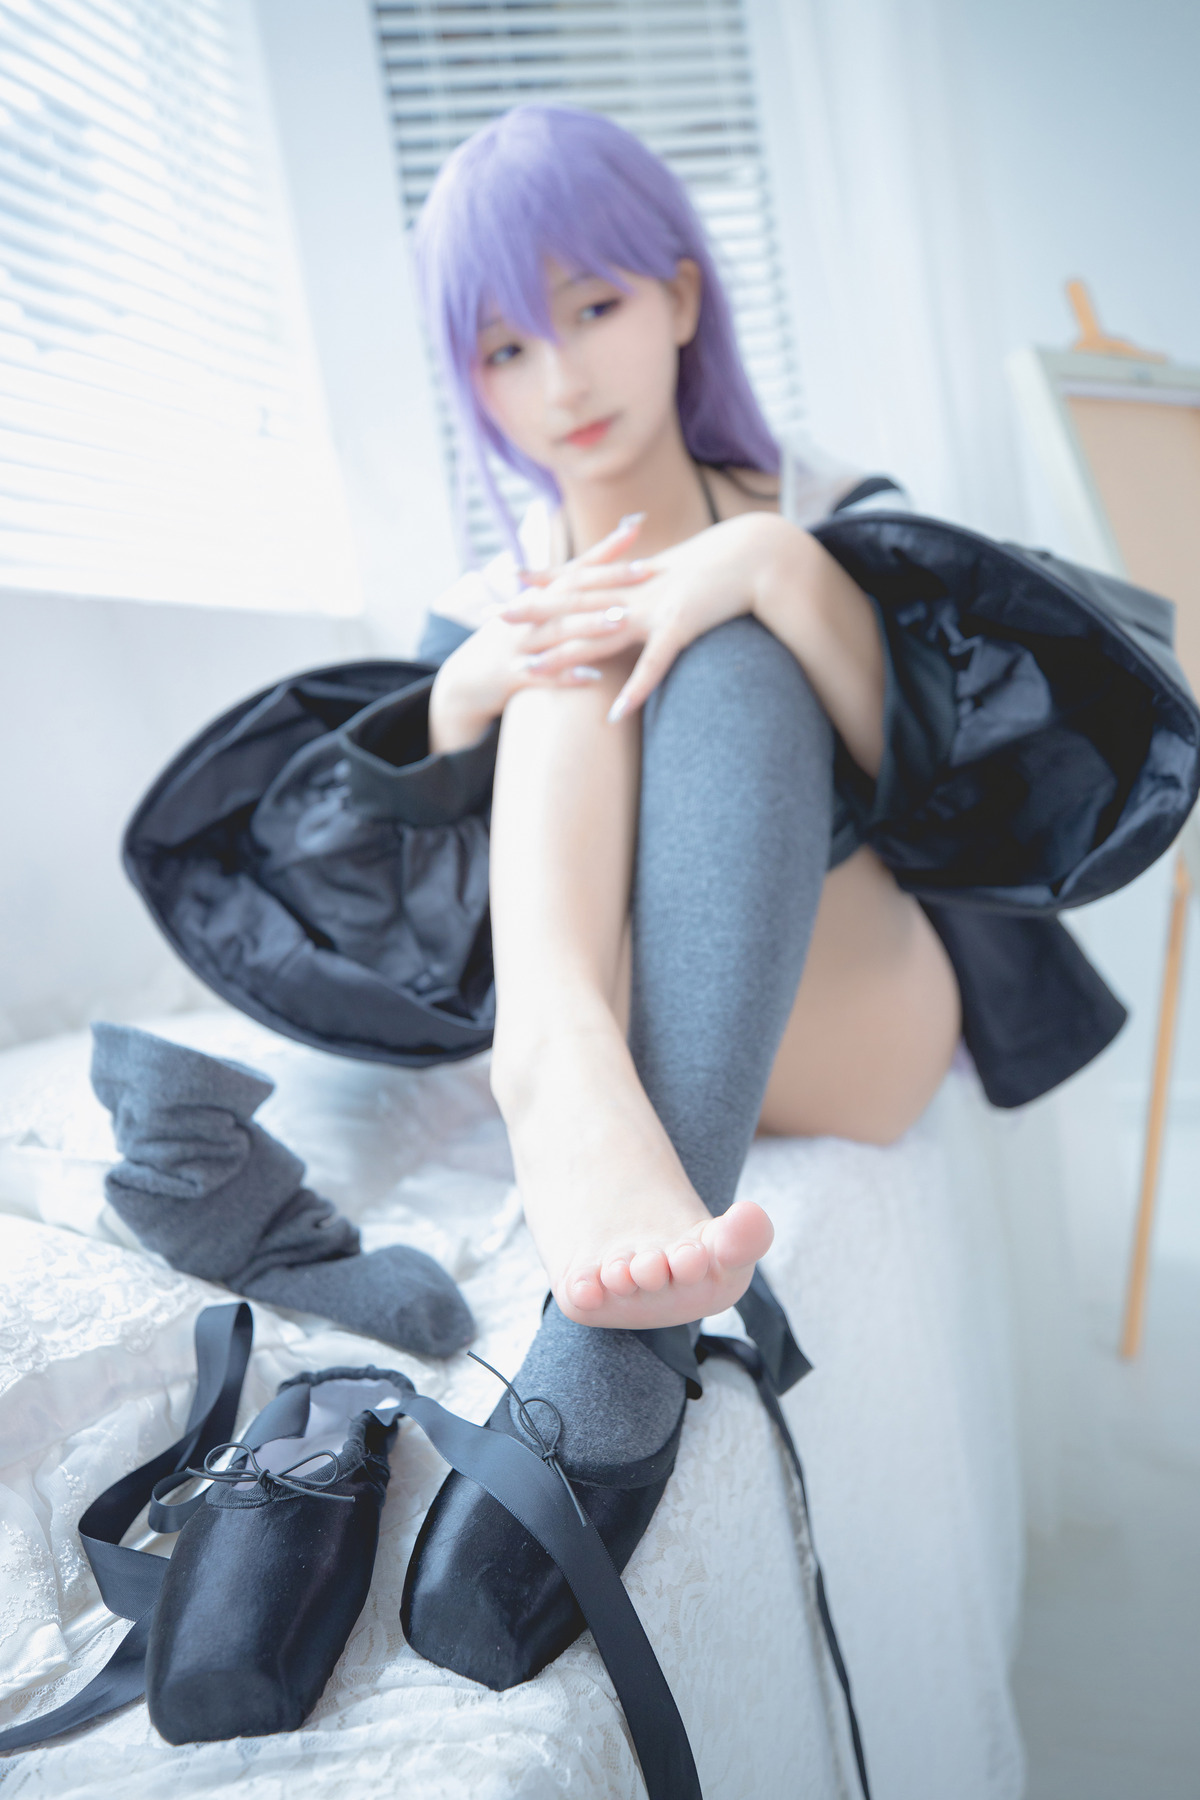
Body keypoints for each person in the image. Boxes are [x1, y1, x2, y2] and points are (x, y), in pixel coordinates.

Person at [414, 103, 961, 1337]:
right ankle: (556, 1068)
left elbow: (945, 795)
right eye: (507, 348)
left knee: (714, 651)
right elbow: (429, 918)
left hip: (855, 1013)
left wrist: (775, 568)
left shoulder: (832, 507)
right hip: (619, 1016)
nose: (562, 381)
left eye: (593, 308)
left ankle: (580, 1095)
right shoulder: (485, 607)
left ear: (680, 297)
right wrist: (460, 696)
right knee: (562, 642)